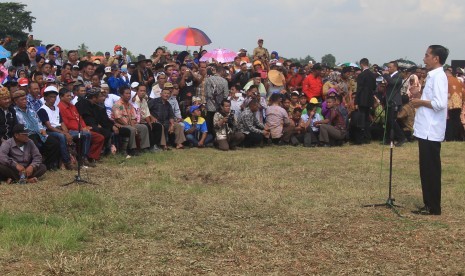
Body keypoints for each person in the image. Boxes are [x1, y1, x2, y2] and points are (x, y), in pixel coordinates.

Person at [411, 45, 449, 216]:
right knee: (426, 169)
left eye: (427, 55)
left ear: (436, 59)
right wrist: (419, 96)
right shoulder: (432, 76)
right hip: (426, 128)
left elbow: (440, 104)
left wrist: (420, 103)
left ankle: (433, 206)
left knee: (430, 170)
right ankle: (429, 204)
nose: (424, 58)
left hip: (430, 130)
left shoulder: (439, 76)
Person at [13, 90, 61, 170]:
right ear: (15, 101)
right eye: (22, 100)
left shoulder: (31, 110)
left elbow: (38, 122)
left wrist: (42, 129)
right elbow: (18, 127)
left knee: (54, 142)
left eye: (25, 99)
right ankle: (35, 166)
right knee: (33, 142)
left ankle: (48, 165)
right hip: (27, 134)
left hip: (39, 133)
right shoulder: (15, 112)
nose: (25, 101)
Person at [58, 88, 104, 166]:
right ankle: (83, 158)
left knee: (99, 137)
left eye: (70, 96)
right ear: (61, 97)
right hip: (71, 131)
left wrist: (85, 127)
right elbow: (66, 124)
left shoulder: (72, 106)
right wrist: (81, 129)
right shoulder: (60, 107)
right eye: (67, 96)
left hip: (80, 129)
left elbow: (80, 118)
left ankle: (91, 157)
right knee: (86, 134)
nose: (70, 97)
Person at [37, 87, 76, 170]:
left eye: (54, 97)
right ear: (45, 98)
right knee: (61, 137)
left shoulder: (57, 109)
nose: (53, 99)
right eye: (51, 97)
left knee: (71, 135)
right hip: (49, 131)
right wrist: (64, 133)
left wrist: (67, 132)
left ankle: (73, 159)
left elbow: (62, 123)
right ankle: (67, 161)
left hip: (59, 129)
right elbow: (49, 126)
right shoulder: (42, 110)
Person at [112, 87, 150, 156]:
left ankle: (143, 147)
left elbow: (133, 118)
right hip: (121, 125)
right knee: (132, 129)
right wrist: (130, 126)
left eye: (129, 93)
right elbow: (118, 118)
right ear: (121, 95)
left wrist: (133, 125)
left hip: (129, 124)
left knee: (143, 127)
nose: (129, 95)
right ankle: (133, 149)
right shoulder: (118, 104)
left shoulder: (130, 105)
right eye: (126, 93)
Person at [382, 61, 406, 146]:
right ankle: (388, 139)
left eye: (390, 67)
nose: (388, 69)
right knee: (388, 121)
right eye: (388, 67)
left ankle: (401, 138)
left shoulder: (398, 75)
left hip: (395, 101)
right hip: (389, 100)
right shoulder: (391, 76)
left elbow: (392, 82)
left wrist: (385, 75)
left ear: (395, 67)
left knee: (392, 121)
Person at [355, 58, 377, 143]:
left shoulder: (361, 75)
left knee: (361, 119)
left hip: (362, 99)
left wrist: (356, 101)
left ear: (361, 64)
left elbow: (359, 89)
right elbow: (374, 87)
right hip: (369, 99)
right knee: (367, 119)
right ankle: (368, 137)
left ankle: (361, 138)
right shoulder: (372, 75)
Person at [205, 65, 229, 136]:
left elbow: (208, 94)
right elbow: (226, 95)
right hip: (220, 107)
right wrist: (220, 102)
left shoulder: (208, 80)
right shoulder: (224, 81)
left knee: (209, 123)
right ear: (221, 71)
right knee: (219, 122)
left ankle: (209, 139)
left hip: (210, 106)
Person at [444, 68, 464, 141]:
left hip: (449, 103)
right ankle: (459, 137)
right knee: (457, 120)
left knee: (450, 121)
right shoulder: (458, 80)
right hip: (458, 103)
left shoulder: (445, 81)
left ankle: (450, 137)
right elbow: (463, 92)